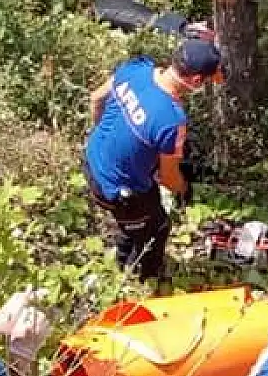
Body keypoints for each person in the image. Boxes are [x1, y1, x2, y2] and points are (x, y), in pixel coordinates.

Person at [82, 36, 224, 280]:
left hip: (91, 157)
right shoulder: (171, 120)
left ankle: (124, 259)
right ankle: (145, 281)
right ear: (196, 81)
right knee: (157, 227)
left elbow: (96, 98)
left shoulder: (136, 68)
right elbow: (168, 178)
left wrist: (108, 136)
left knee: (137, 221)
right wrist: (184, 190)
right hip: (116, 187)